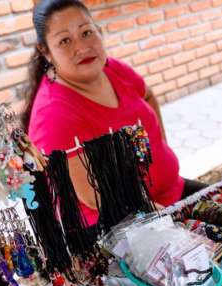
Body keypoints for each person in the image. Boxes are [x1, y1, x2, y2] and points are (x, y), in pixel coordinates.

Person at [23, 0, 205, 228]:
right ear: (46, 51)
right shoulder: (53, 115)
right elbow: (94, 197)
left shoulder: (112, 68)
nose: (82, 47)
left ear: (98, 30)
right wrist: (174, 223)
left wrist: (161, 148)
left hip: (170, 193)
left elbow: (148, 95)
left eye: (86, 32)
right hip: (120, 224)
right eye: (65, 41)